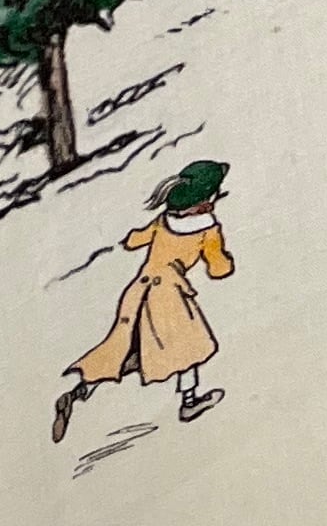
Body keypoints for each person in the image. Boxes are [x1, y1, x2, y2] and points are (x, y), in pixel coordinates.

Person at [51, 160, 234, 441]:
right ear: (207, 198)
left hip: (139, 291)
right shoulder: (207, 230)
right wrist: (225, 261)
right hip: (169, 297)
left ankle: (78, 392)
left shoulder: (163, 221)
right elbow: (218, 268)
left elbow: (135, 240)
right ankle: (189, 403)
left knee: (125, 349)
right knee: (189, 347)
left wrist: (129, 240)